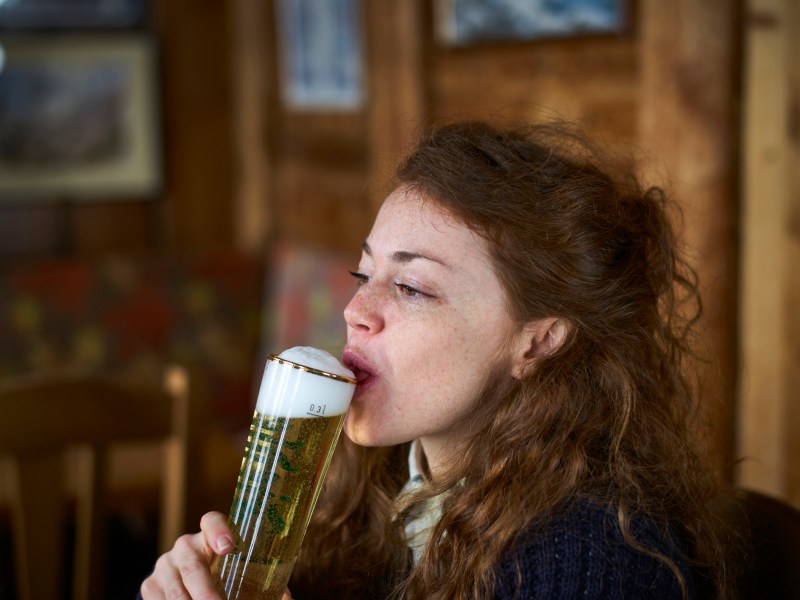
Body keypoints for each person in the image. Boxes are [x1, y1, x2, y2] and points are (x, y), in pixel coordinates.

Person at [139, 120, 734, 599]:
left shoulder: (593, 560)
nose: (355, 310)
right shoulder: (369, 485)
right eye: (364, 275)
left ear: (539, 341)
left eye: (411, 288)